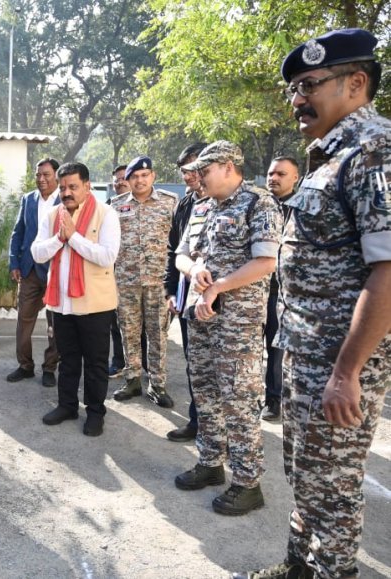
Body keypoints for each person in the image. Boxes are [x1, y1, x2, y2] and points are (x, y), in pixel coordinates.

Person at [235, 28, 391, 579]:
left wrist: (347, 372)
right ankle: (301, 565)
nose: (298, 99)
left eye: (309, 85)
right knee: (305, 474)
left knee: (334, 489)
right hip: (308, 355)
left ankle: (331, 572)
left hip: (340, 367)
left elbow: (389, 270)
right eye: (293, 90)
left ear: (356, 82)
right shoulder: (331, 156)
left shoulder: (375, 150)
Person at [173, 141, 282, 516]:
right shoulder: (202, 205)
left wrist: (219, 285)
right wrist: (194, 270)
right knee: (204, 391)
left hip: (238, 324)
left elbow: (266, 261)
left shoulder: (258, 202)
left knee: (238, 399)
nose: (198, 177)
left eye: (204, 170)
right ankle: (210, 462)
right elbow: (181, 254)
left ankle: (248, 483)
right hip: (200, 317)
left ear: (228, 166)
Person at [31, 162, 121, 437]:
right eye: (63, 188)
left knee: (95, 363)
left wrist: (74, 237)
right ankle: (67, 405)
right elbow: (37, 252)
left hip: (95, 304)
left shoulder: (106, 214)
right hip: (62, 304)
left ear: (87, 186)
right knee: (68, 358)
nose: (67, 193)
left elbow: (107, 256)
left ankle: (95, 413)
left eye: (73, 187)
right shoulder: (51, 215)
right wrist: (60, 238)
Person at [110, 156, 178, 408]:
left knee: (157, 334)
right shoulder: (116, 205)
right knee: (128, 332)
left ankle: (158, 384)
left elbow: (179, 241)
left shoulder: (169, 203)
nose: (140, 180)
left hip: (158, 282)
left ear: (153, 176)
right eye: (134, 176)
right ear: (127, 180)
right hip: (125, 281)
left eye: (144, 175)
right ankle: (132, 379)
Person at [164, 142, 208, 442]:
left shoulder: (240, 202)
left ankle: (225, 431)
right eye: (184, 171)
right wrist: (170, 291)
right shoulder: (184, 204)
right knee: (195, 362)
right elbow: (174, 250)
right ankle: (198, 422)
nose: (188, 176)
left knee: (224, 370)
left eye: (193, 169)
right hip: (187, 295)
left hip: (225, 302)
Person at [6, 158, 60, 387]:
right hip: (29, 270)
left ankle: (50, 368)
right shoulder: (28, 199)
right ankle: (25, 366)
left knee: (55, 323)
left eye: (46, 174)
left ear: (56, 175)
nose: (41, 179)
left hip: (56, 271)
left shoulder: (65, 200)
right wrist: (14, 263)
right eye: (38, 175)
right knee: (24, 320)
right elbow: (18, 232)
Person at [260, 156, 299, 423]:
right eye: (271, 173)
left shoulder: (302, 208)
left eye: (281, 174)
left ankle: (275, 399)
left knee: (276, 349)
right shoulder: (258, 205)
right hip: (252, 289)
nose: (274, 178)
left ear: (295, 178)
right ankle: (252, 396)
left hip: (281, 291)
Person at [106, 165, 128, 377]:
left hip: (141, 277)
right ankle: (119, 361)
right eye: (117, 180)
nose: (120, 182)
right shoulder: (108, 207)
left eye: (124, 178)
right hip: (112, 276)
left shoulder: (152, 206)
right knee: (115, 324)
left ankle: (144, 366)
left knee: (143, 327)